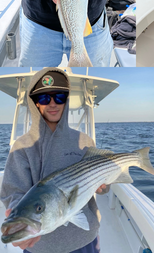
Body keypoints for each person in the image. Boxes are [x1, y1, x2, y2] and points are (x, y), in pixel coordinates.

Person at [0, 68, 108, 253]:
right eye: (43, 98)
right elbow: (14, 191)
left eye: (59, 97)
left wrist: (104, 185)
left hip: (84, 239)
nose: (52, 104)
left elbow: (102, 184)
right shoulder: (23, 145)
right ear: (34, 102)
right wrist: (18, 213)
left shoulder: (84, 141)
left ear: (66, 100)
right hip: (39, 245)